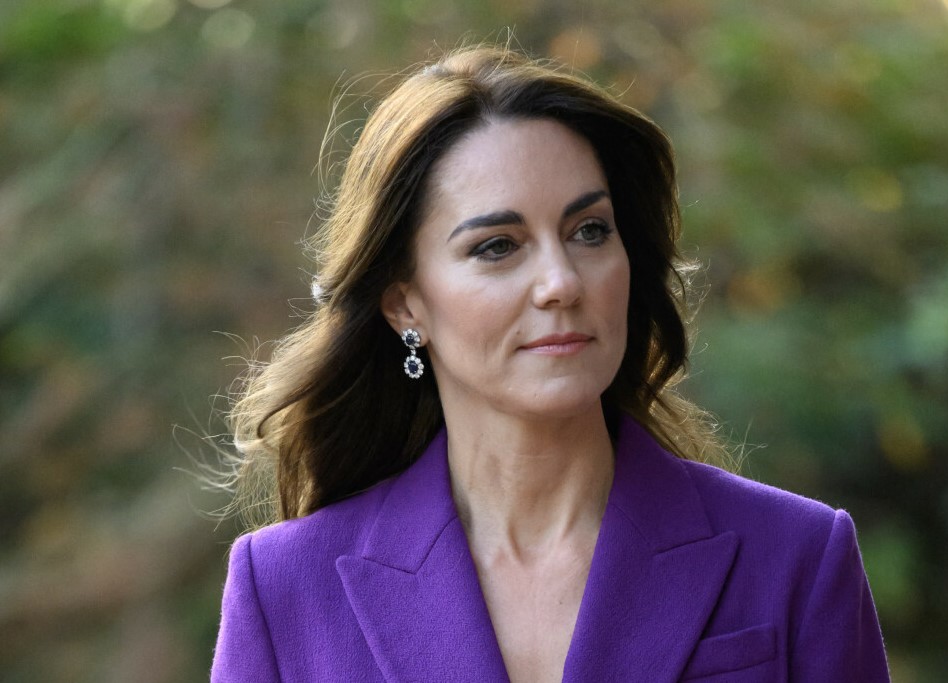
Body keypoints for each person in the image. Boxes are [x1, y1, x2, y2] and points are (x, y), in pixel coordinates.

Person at [211, 45, 891, 682]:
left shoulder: (797, 557)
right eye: (498, 246)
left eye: (589, 231)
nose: (562, 282)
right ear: (404, 304)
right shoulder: (284, 590)